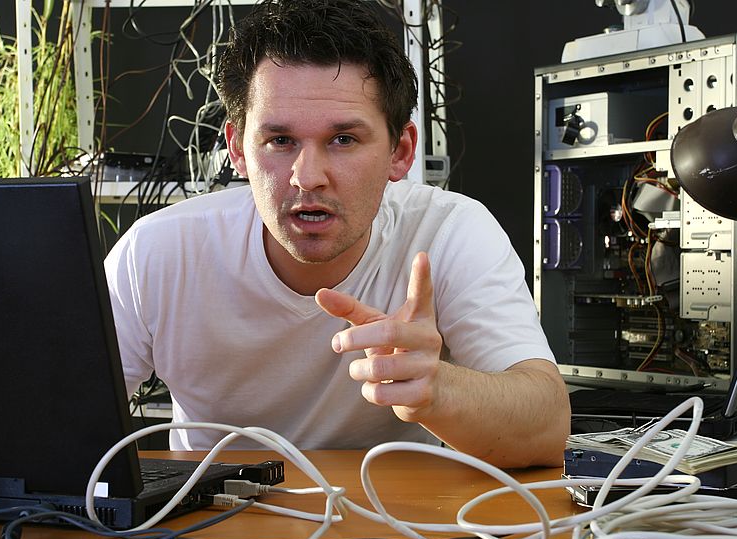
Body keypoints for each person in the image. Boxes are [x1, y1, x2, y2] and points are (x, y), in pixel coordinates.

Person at [104, 0, 570, 467]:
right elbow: (56, 418)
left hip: (393, 523)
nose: (308, 177)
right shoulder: (158, 252)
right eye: (280, 141)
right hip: (207, 523)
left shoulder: (448, 232)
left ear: (400, 152)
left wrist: (438, 388)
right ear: (237, 150)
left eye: (343, 139)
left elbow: (547, 428)